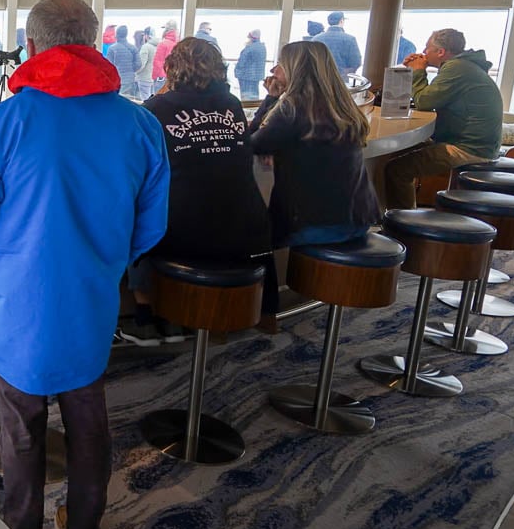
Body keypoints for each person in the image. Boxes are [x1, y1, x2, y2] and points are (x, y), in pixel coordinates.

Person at [0, 0, 170, 529]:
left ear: (34, 45)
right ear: (94, 43)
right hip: (90, 299)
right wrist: (105, 264)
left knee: (20, 431)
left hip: (13, 302)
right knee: (88, 421)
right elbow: (152, 223)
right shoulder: (140, 123)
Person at [119, 37, 272, 345]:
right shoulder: (231, 104)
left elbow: (132, 162)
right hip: (245, 231)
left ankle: (148, 318)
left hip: (182, 233)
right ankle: (182, 316)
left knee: (137, 219)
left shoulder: (155, 108)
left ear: (171, 68)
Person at [249, 40, 380, 247]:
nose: (274, 70)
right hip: (359, 218)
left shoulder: (293, 108)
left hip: (317, 225)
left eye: (281, 64)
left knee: (251, 236)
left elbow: (252, 144)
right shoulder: (343, 107)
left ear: (296, 70)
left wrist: (271, 99)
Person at [384, 28, 503, 209]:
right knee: (397, 152)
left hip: (471, 149)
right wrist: (416, 69)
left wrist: (417, 71)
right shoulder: (464, 66)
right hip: (478, 144)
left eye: (427, 48)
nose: (423, 52)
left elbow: (424, 100)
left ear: (440, 52)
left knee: (398, 170)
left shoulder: (457, 68)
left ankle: (402, 224)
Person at [312, 11, 362, 78]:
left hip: (319, 79)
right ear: (341, 21)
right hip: (341, 80)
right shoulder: (350, 39)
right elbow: (356, 62)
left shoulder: (316, 39)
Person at [105, 24, 141, 97]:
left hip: (116, 79)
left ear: (117, 34)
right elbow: (138, 64)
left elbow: (108, 66)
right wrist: (130, 69)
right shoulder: (133, 48)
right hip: (130, 79)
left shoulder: (112, 48)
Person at [234, 29, 267, 101]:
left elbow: (242, 62)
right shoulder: (262, 47)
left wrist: (237, 70)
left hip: (246, 76)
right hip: (256, 77)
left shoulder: (250, 48)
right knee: (254, 97)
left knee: (247, 98)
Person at [151, 20, 178, 92]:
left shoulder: (163, 44)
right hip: (174, 76)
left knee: (158, 99)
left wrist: (154, 76)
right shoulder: (179, 43)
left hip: (162, 76)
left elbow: (157, 62)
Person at [136, 27, 157, 98]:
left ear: (146, 36)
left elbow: (141, 64)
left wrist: (136, 72)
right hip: (154, 78)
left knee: (145, 99)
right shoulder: (157, 46)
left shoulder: (146, 47)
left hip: (144, 77)